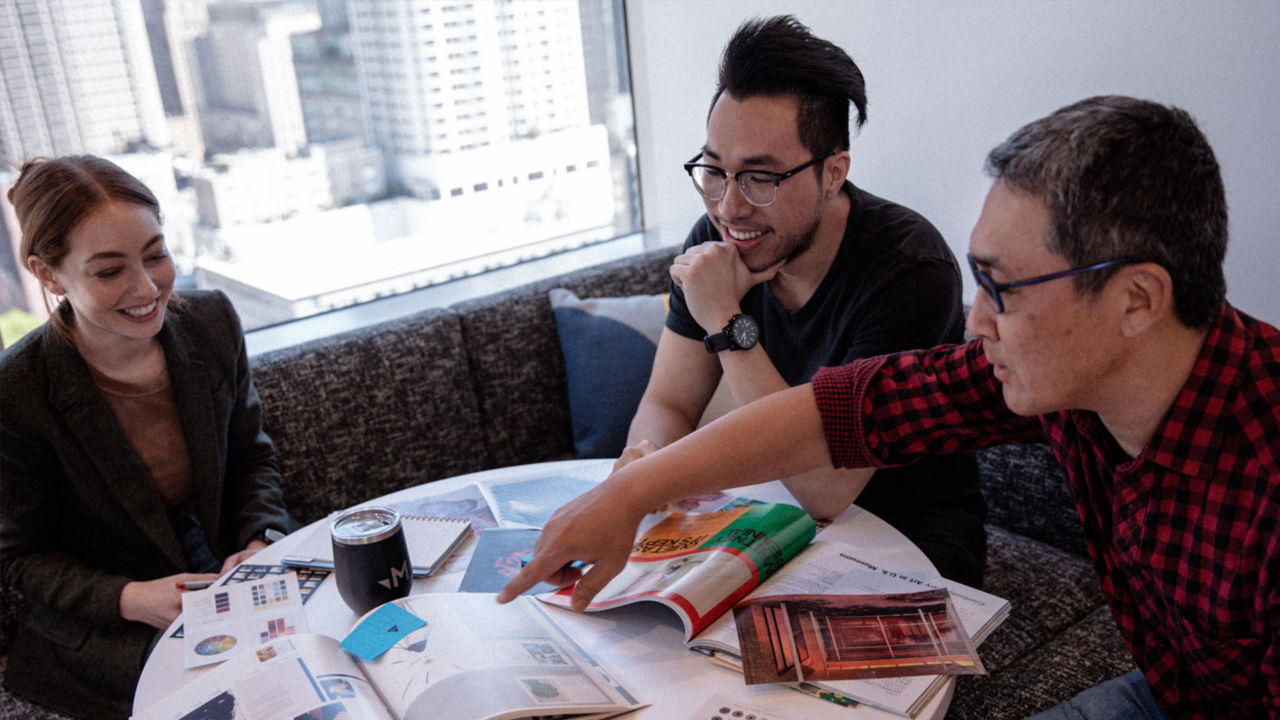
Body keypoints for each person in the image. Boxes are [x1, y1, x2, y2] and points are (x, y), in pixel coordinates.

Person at [501, 96, 1280, 719]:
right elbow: (838, 412)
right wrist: (629, 492)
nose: (977, 321)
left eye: (1003, 289)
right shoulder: (1067, 380)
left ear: (1137, 299)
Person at [619, 15, 986, 586]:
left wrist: (725, 318)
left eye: (760, 178)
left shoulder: (909, 270)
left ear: (833, 173)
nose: (729, 208)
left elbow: (826, 488)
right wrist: (647, 467)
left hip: (905, 540)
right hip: (769, 517)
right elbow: (669, 403)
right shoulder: (715, 239)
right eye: (715, 170)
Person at [0, 156, 296, 719]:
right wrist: (131, 598)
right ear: (48, 274)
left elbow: (250, 458)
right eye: (109, 271)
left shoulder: (211, 323)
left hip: (228, 569)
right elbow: (20, 557)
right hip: (117, 617)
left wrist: (260, 541)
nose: (147, 287)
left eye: (156, 255)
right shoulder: (17, 391)